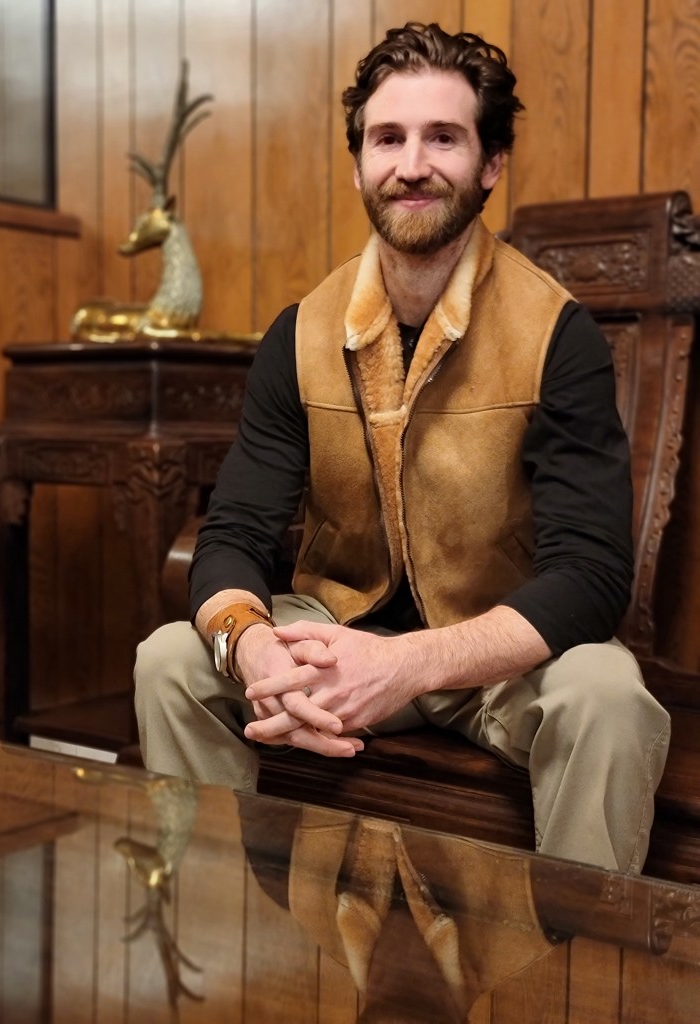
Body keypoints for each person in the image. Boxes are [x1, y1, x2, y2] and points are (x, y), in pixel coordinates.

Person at [134, 22, 670, 873]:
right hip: (334, 636)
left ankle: (577, 954)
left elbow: (593, 574)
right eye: (387, 138)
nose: (411, 164)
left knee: (608, 697)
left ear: (491, 164)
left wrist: (407, 663)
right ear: (357, 165)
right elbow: (233, 532)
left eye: (443, 138)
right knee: (169, 660)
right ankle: (217, 928)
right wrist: (257, 649)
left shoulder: (557, 333)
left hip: (495, 655)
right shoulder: (299, 333)